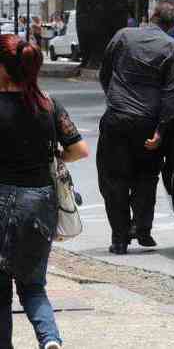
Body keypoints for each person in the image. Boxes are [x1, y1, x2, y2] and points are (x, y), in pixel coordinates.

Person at [0, 34, 89, 349]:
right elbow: (80, 150)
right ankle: (50, 340)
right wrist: (54, 157)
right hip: (39, 204)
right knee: (34, 286)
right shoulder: (49, 105)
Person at [98, 0, 174, 255]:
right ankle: (143, 228)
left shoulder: (124, 37)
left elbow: (105, 72)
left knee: (114, 179)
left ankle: (119, 238)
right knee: (146, 177)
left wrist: (114, 98)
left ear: (151, 15)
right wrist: (161, 129)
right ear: (172, 25)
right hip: (148, 124)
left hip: (117, 118)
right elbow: (173, 94)